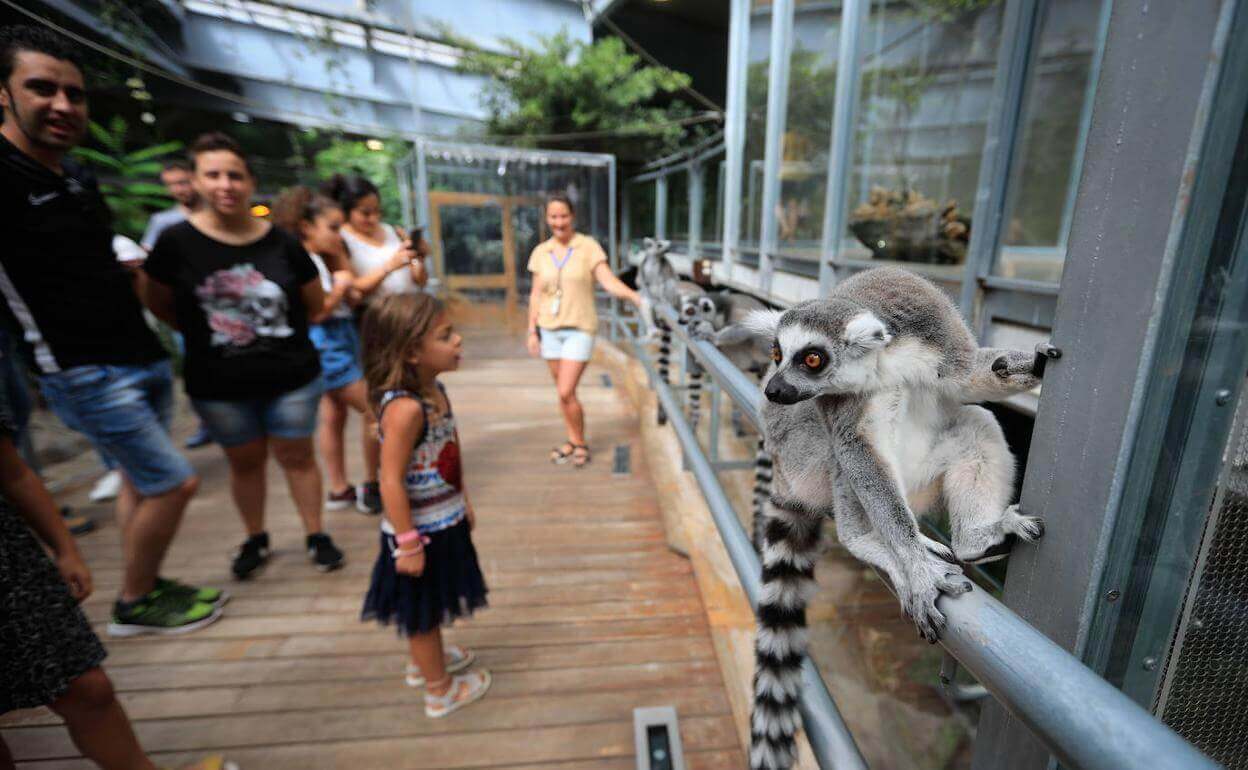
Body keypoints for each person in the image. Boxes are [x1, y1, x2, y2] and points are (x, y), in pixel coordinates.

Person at [0, 25, 220, 636]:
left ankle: (142, 583)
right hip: (82, 368)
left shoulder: (77, 176)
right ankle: (133, 599)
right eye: (42, 88)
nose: (63, 106)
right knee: (174, 482)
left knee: (136, 479)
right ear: (4, 93)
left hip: (138, 352)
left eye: (75, 93)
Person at [0, 379, 234, 770]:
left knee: (87, 687)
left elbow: (14, 473)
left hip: (12, 568)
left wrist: (66, 548)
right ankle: (138, 597)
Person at [141, 132, 345, 579]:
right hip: (219, 384)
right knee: (244, 461)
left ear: (250, 182)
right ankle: (256, 535)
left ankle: (316, 533)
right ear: (195, 181)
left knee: (298, 456)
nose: (225, 184)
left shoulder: (282, 243)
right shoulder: (176, 242)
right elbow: (158, 301)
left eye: (234, 175)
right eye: (212, 175)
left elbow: (313, 305)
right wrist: (201, 332)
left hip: (291, 376)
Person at [359, 293, 491, 718]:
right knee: (422, 611)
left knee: (431, 602)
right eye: (445, 335)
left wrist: (463, 499)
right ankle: (439, 688)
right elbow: (390, 480)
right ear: (412, 351)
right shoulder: (404, 409)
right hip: (419, 531)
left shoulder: (436, 391)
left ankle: (427, 659)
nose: (458, 340)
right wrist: (408, 542)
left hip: (443, 517)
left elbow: (448, 452)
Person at [271, 186, 381, 515]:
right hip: (327, 340)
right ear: (306, 227)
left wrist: (343, 274)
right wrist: (343, 287)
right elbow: (316, 313)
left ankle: (339, 488)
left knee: (333, 414)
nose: (339, 234)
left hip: (342, 335)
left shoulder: (323, 258)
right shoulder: (303, 261)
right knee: (375, 407)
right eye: (333, 228)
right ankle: (372, 484)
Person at [322, 174, 427, 514]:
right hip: (372, 328)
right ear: (348, 211)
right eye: (364, 212)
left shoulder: (391, 231)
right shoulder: (340, 240)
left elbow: (418, 277)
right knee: (379, 407)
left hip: (407, 323)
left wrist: (414, 257)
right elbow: (353, 292)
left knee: (409, 401)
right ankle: (373, 479)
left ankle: (403, 471)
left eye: (375, 211)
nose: (372, 218)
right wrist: (390, 265)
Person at [526, 193, 640, 468]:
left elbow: (609, 282)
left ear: (572, 216)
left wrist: (638, 299)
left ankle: (578, 442)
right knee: (564, 394)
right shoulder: (542, 252)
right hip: (549, 329)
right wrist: (532, 330)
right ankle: (575, 440)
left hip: (579, 329)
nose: (559, 221)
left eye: (564, 215)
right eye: (553, 216)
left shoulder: (588, 247)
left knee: (566, 391)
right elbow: (535, 295)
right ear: (547, 219)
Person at [142, 159, 214, 451]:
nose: (179, 189)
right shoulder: (163, 223)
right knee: (195, 367)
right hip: (187, 313)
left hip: (225, 306)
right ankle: (207, 422)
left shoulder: (218, 214)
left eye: (183, 181)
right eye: (172, 184)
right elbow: (150, 265)